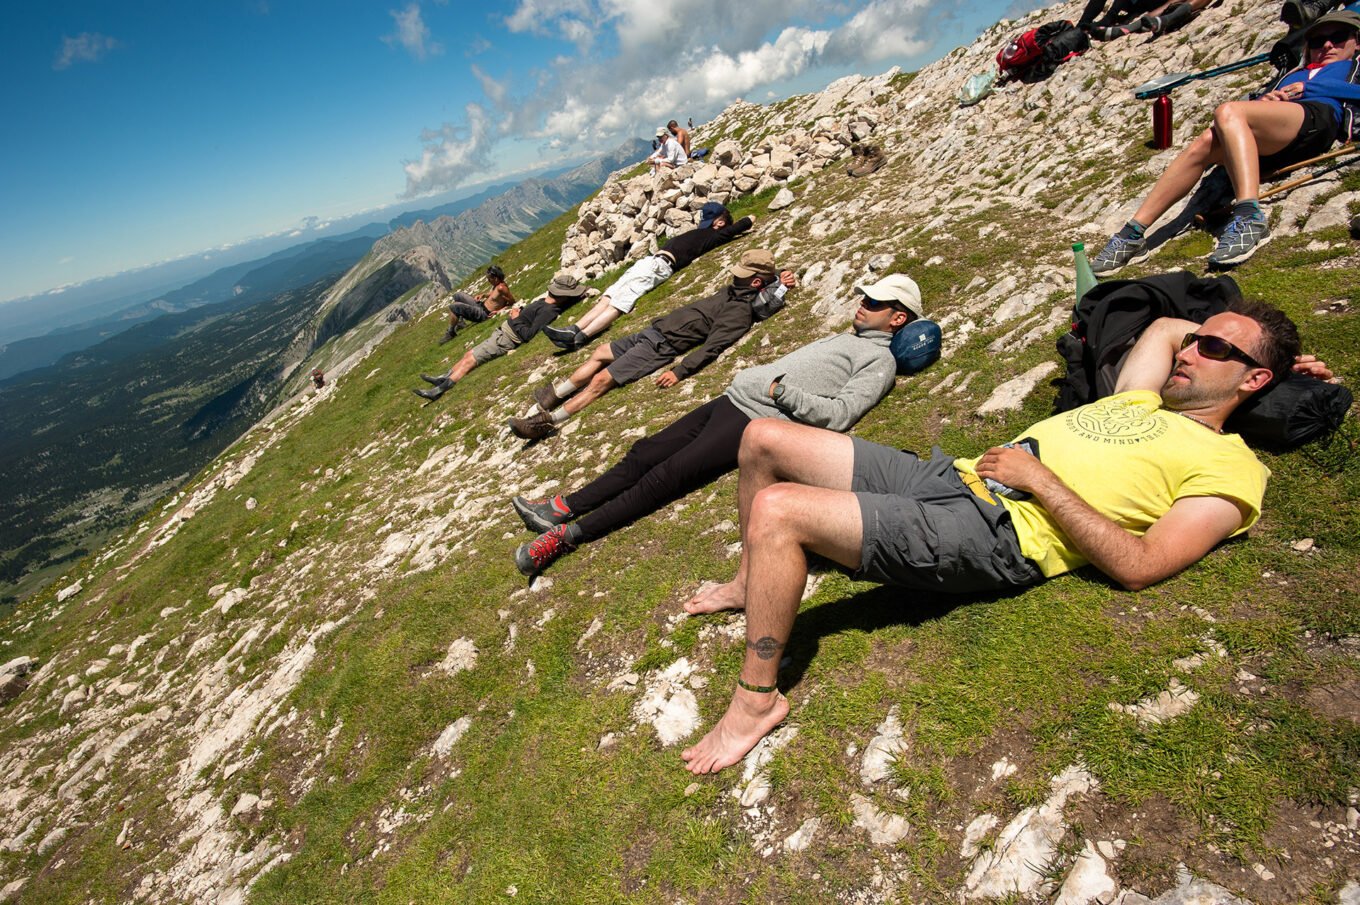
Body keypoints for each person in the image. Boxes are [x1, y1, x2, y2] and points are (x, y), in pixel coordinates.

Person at [678, 299, 1334, 774]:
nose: (1190, 351)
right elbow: (1164, 325)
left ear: (1252, 381)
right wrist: (1251, 351)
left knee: (779, 510)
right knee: (760, 436)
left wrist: (1042, 482)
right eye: (1199, 341)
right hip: (952, 478)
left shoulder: (1234, 471)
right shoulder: (1144, 398)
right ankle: (747, 583)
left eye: (1215, 350)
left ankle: (755, 700)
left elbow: (1141, 563)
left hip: (998, 530)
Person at [509, 274, 941, 578]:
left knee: (666, 477)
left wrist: (779, 392)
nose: (861, 304)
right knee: (645, 453)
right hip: (732, 401)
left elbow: (843, 413)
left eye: (873, 302)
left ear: (898, 318)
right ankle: (561, 507)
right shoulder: (852, 339)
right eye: (863, 297)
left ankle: (566, 537)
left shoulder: (879, 361)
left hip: (757, 417)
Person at [1091, 10, 1360, 272]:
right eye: (1316, 41)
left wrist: (1308, 88)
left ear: (1356, 41)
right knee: (1207, 139)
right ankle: (1133, 232)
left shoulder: (1354, 65)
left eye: (1337, 37)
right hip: (1280, 132)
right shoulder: (1293, 72)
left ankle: (1249, 216)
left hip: (1319, 118)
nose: (1326, 45)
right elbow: (1256, 103)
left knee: (1228, 111)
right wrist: (1265, 100)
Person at [508, 250, 793, 440]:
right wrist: (778, 277)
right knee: (599, 352)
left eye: (742, 275)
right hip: (653, 331)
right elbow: (763, 280)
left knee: (602, 379)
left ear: (754, 282)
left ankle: (547, 422)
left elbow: (713, 346)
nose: (734, 276)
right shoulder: (738, 289)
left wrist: (680, 371)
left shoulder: (739, 312)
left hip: (662, 346)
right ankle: (554, 395)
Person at [542, 202, 754, 351]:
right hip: (650, 261)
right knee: (610, 294)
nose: (712, 224)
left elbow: (740, 226)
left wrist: (748, 219)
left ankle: (582, 337)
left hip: (661, 266)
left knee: (621, 301)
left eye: (716, 220)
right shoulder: (705, 232)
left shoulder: (715, 236)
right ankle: (574, 329)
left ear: (720, 223)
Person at [412, 273, 587, 401]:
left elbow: (528, 335)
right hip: (502, 333)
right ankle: (443, 378)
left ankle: (438, 391)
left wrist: (515, 317)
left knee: (471, 360)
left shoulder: (549, 310)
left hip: (507, 339)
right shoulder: (546, 302)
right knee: (469, 354)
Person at [440, 264, 516, 344]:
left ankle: (451, 332)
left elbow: (512, 302)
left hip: (483, 314)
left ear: (496, 278)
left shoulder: (502, 288)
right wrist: (483, 295)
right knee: (458, 295)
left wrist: (498, 311)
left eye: (489, 279)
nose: (488, 281)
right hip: (481, 306)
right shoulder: (497, 285)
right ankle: (460, 323)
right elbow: (494, 294)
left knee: (454, 306)